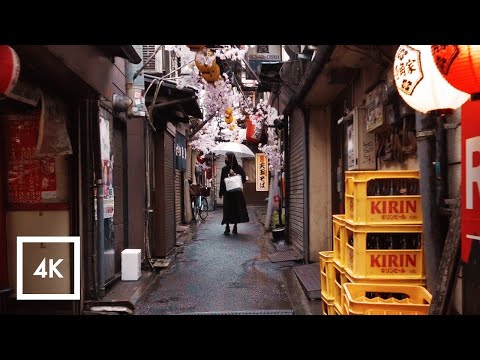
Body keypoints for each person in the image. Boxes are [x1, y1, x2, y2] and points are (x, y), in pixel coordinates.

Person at [219, 151, 249, 234]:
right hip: (227, 193)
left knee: (236, 209)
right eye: (225, 158)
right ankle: (227, 226)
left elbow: (243, 179)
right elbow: (222, 181)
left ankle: (235, 226)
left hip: (236, 193)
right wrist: (221, 193)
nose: (225, 159)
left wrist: (235, 174)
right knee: (227, 210)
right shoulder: (224, 169)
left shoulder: (239, 168)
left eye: (226, 158)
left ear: (231, 158)